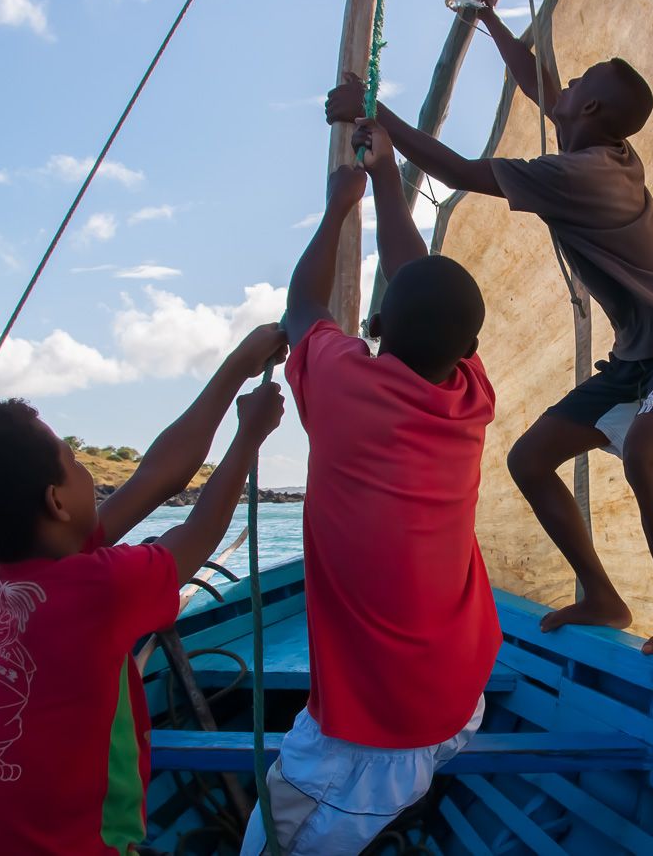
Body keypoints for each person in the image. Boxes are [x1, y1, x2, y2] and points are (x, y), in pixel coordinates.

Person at [325, 0, 653, 656]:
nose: (562, 89)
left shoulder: (580, 176)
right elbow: (544, 83)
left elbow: (457, 172)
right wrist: (491, 22)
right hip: (638, 355)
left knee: (643, 461)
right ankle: (602, 595)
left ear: (590, 107)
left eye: (577, 87)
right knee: (530, 460)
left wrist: (372, 113)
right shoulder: (597, 141)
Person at [0, 327, 287, 855]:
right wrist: (248, 437)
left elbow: (157, 476)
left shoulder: (6, 573)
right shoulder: (99, 587)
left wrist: (236, 368)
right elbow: (201, 533)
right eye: (75, 462)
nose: (88, 472)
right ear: (56, 502)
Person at [240, 124, 500, 855]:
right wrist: (386, 178)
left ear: (378, 324)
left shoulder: (342, 379)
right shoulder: (470, 397)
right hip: (458, 699)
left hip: (379, 726)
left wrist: (337, 205)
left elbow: (302, 309)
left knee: (267, 846)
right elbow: (413, 266)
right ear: (469, 352)